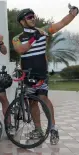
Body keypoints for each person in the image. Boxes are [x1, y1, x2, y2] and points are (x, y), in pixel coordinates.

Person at [12, 5, 78, 145]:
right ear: (22, 22)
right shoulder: (17, 38)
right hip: (27, 74)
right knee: (32, 102)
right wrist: (33, 39)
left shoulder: (43, 31)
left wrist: (73, 14)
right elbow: (20, 50)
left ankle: (53, 128)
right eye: (29, 17)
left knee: (43, 98)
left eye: (33, 16)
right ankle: (38, 129)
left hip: (41, 73)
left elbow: (62, 23)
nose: (33, 18)